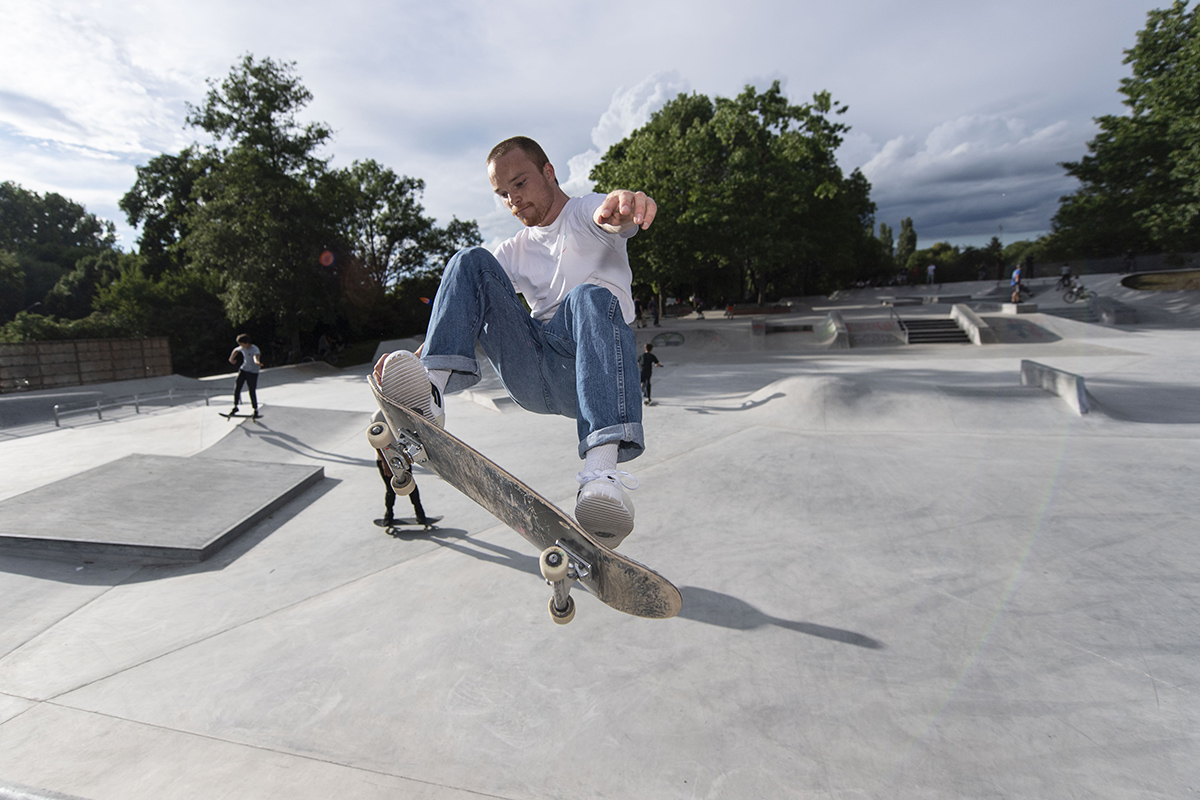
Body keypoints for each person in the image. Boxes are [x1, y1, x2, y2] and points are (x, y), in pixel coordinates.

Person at [372, 136, 656, 548]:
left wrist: (626, 206)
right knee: (469, 260)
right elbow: (466, 298)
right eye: (502, 194)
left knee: (591, 297)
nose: (513, 200)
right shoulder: (515, 249)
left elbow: (612, 214)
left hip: (587, 371)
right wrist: (412, 366)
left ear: (548, 171)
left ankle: (601, 477)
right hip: (531, 373)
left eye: (519, 184)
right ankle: (429, 391)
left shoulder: (584, 213)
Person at [371, 409, 431, 528]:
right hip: (383, 459)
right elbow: (375, 441)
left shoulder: (397, 410)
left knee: (410, 483)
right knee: (390, 488)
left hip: (400, 456)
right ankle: (388, 515)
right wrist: (385, 463)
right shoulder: (377, 417)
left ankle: (420, 514)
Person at [228, 334, 263, 416]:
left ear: (246, 343)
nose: (240, 346)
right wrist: (231, 358)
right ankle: (235, 406)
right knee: (237, 387)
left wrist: (256, 362)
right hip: (243, 370)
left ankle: (255, 409)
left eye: (241, 344)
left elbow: (256, 356)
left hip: (253, 372)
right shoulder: (242, 348)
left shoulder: (255, 349)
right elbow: (235, 351)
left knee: (251, 390)